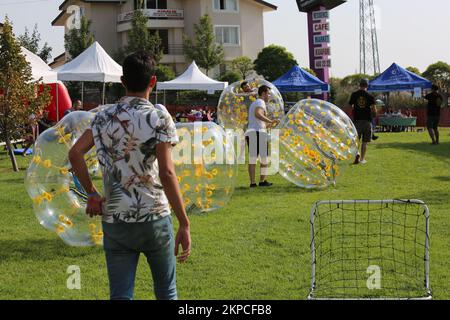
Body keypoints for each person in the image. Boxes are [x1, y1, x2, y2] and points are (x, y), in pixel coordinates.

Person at [68, 51, 191, 300]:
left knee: (121, 294)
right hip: (154, 216)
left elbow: (75, 154)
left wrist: (91, 193)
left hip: (115, 219)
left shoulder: (102, 117)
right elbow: (167, 173)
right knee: (166, 292)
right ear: (153, 81)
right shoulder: (159, 117)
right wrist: (184, 222)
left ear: (122, 82)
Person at [245, 85, 277, 188]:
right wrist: (270, 120)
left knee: (253, 159)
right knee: (264, 158)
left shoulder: (254, 103)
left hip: (252, 132)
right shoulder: (260, 102)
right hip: (258, 133)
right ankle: (262, 181)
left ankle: (253, 183)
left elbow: (258, 121)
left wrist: (271, 123)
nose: (269, 96)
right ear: (263, 93)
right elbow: (257, 114)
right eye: (268, 93)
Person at [349, 78, 377, 165]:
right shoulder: (370, 96)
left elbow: (351, 106)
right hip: (367, 121)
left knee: (357, 140)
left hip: (357, 121)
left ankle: (357, 154)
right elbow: (373, 109)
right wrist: (374, 115)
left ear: (359, 85)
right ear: (367, 86)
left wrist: (355, 111)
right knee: (365, 142)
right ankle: (362, 159)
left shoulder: (354, 94)